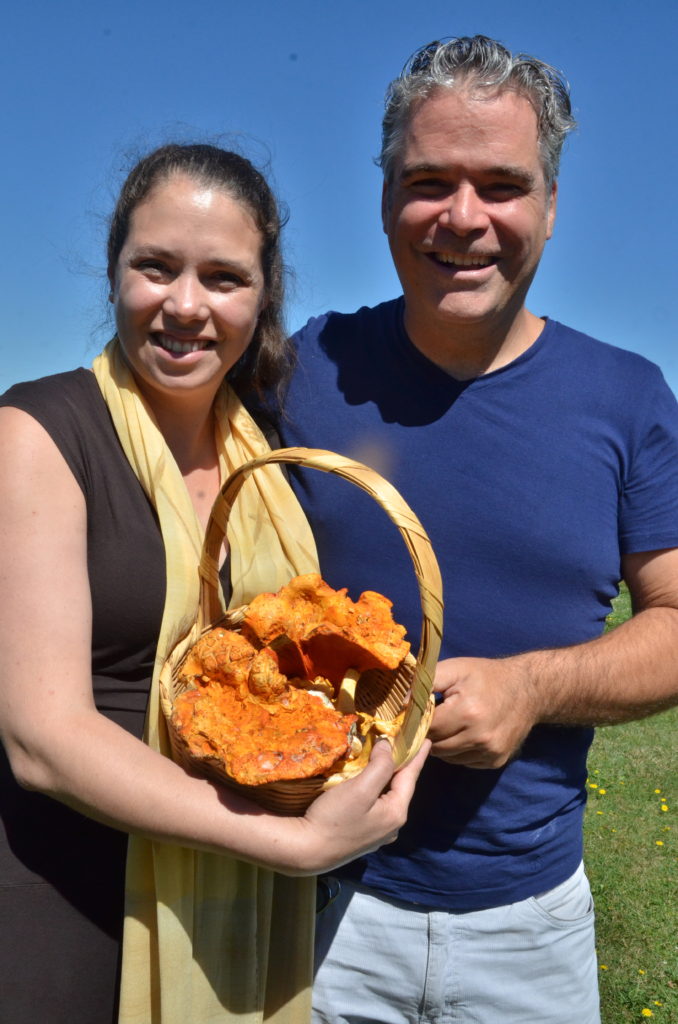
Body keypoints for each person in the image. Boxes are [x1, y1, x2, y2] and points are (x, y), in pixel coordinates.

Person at [273, 36, 678, 1024]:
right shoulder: (297, 375)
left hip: (530, 932)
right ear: (385, 199)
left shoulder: (627, 399)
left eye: (502, 185)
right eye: (429, 182)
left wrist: (533, 687)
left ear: (551, 205)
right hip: (317, 910)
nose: (463, 217)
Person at [0, 143, 429, 1024]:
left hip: (235, 913)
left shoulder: (263, 454)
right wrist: (287, 842)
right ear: (114, 271)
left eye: (224, 277)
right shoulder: (40, 432)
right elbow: (41, 738)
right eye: (156, 267)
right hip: (70, 904)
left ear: (263, 298)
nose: (186, 305)